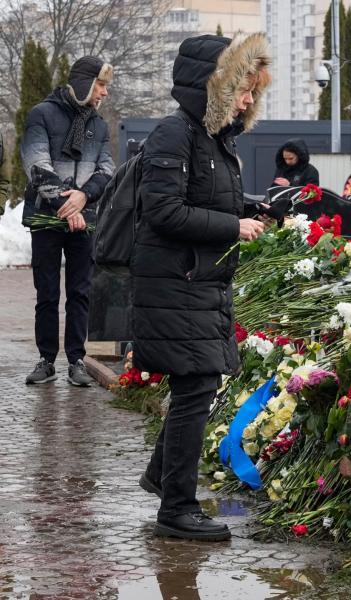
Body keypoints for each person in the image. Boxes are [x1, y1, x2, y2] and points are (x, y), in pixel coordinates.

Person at [133, 33, 270, 541]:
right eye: (243, 89)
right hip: (176, 281)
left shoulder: (212, 139)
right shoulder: (176, 134)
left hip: (199, 281)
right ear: (215, 86)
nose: (249, 100)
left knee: (198, 384)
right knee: (196, 385)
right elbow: (163, 211)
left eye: (253, 91)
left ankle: (160, 476)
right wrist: (233, 227)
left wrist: (249, 208)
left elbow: (205, 200)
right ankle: (176, 509)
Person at [21, 56, 114, 387]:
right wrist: (68, 205)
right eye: (100, 85)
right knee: (46, 292)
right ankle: (47, 360)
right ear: (85, 83)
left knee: (80, 292)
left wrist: (85, 197)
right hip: (47, 218)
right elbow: (36, 164)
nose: (103, 93)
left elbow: (106, 169)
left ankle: (76, 359)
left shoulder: (99, 125)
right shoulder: (41, 114)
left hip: (82, 220)